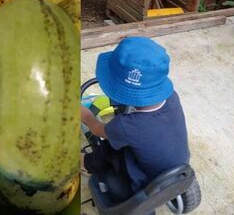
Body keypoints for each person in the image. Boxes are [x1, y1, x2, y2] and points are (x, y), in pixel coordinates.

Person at [81, 36, 190, 198]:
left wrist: (86, 116)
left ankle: (85, 163)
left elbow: (97, 130)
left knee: (108, 148)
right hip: (179, 163)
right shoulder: (172, 97)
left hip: (146, 180)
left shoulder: (125, 126)